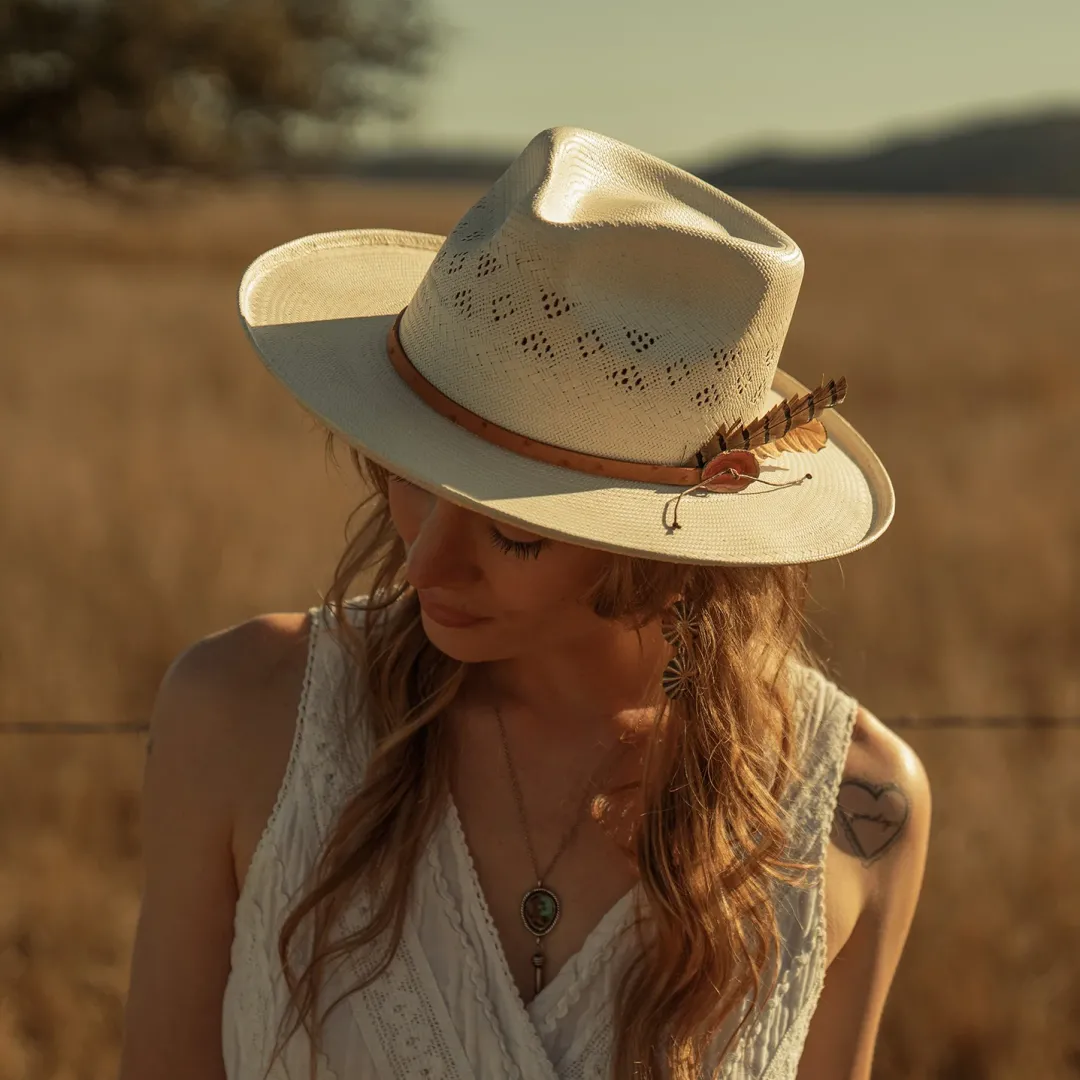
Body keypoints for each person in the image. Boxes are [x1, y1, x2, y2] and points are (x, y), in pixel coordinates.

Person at [118, 126, 930, 1080]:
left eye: (514, 533)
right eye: (413, 479)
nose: (423, 567)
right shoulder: (242, 709)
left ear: (674, 552)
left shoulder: (856, 805)